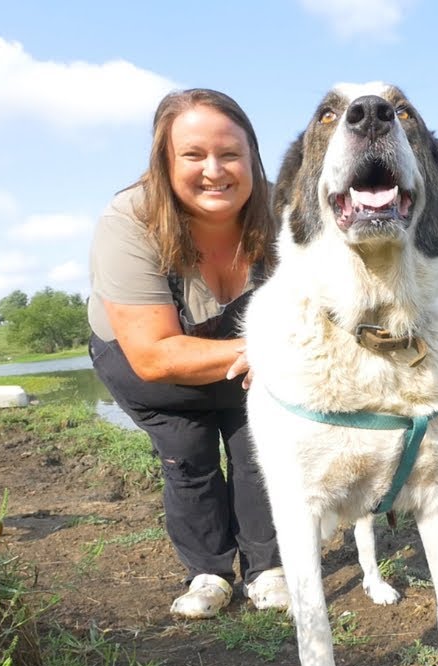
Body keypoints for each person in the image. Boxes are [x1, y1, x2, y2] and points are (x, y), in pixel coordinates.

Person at [87, 88, 285, 619]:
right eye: (193, 155)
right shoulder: (128, 220)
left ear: (252, 156)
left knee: (258, 448)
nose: (214, 171)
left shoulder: (284, 211)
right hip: (150, 363)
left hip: (251, 353)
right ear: (165, 161)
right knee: (189, 453)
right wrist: (271, 348)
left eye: (230, 154)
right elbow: (153, 355)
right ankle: (209, 574)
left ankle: (268, 570)